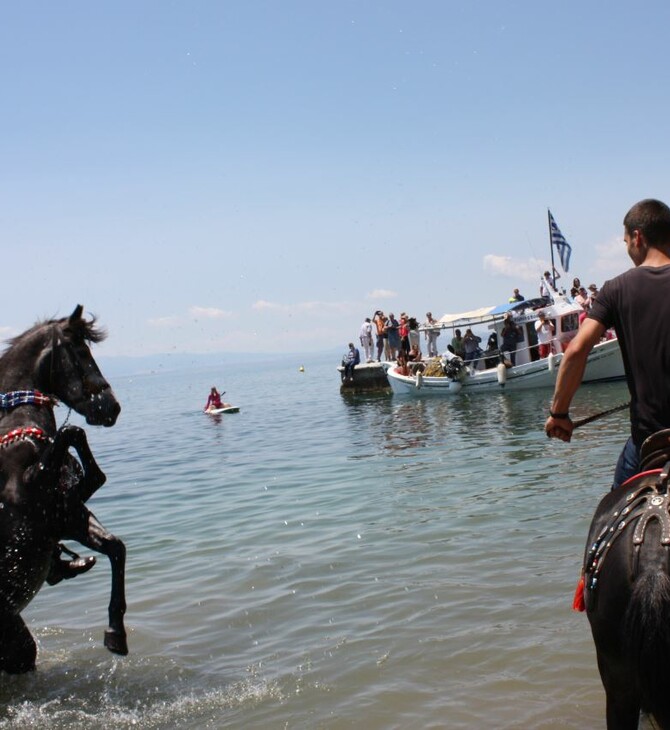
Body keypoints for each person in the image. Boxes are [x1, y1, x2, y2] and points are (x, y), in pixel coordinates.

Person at [545, 199, 670, 489]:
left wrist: (559, 414)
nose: (628, 250)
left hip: (649, 441)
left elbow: (576, 350)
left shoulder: (616, 289)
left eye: (627, 242)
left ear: (638, 238)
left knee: (610, 520)